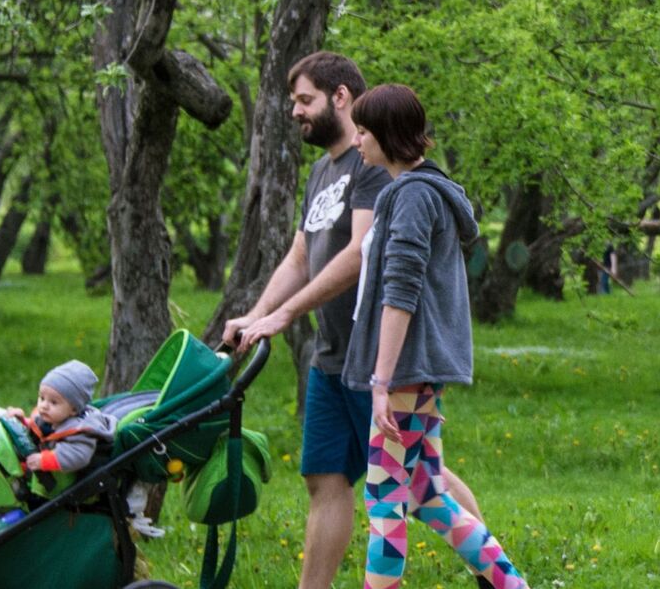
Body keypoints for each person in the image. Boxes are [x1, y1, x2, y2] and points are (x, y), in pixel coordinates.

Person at [221, 52, 482, 589]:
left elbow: (362, 253)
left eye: (305, 99)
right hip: (332, 355)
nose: (295, 111)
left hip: (376, 357)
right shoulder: (323, 170)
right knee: (325, 479)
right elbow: (300, 256)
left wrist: (289, 313)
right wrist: (259, 314)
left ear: (340, 97)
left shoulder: (372, 167)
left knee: (418, 482)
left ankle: (490, 571)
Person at [345, 84, 527, 589]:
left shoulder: (412, 197)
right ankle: (511, 586)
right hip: (419, 369)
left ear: (386, 134)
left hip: (405, 369)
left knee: (385, 500)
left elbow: (399, 293)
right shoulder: (417, 191)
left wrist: (381, 381)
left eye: (363, 132)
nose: (357, 141)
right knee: (426, 494)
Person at [12, 359, 116, 476]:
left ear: (73, 409)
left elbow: (78, 456)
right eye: (42, 398)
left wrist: (44, 460)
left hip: (68, 481)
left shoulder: (80, 431)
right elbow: (38, 429)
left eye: (54, 402)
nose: (44, 406)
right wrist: (22, 422)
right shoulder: (50, 417)